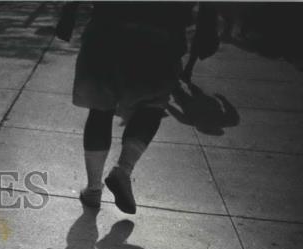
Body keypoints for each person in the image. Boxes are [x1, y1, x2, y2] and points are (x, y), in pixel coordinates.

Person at [57, 2, 218, 213]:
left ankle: (94, 190)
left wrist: (69, 9)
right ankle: (123, 169)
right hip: (162, 31)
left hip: (108, 25)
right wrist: (208, 25)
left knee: (100, 108)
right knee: (152, 105)